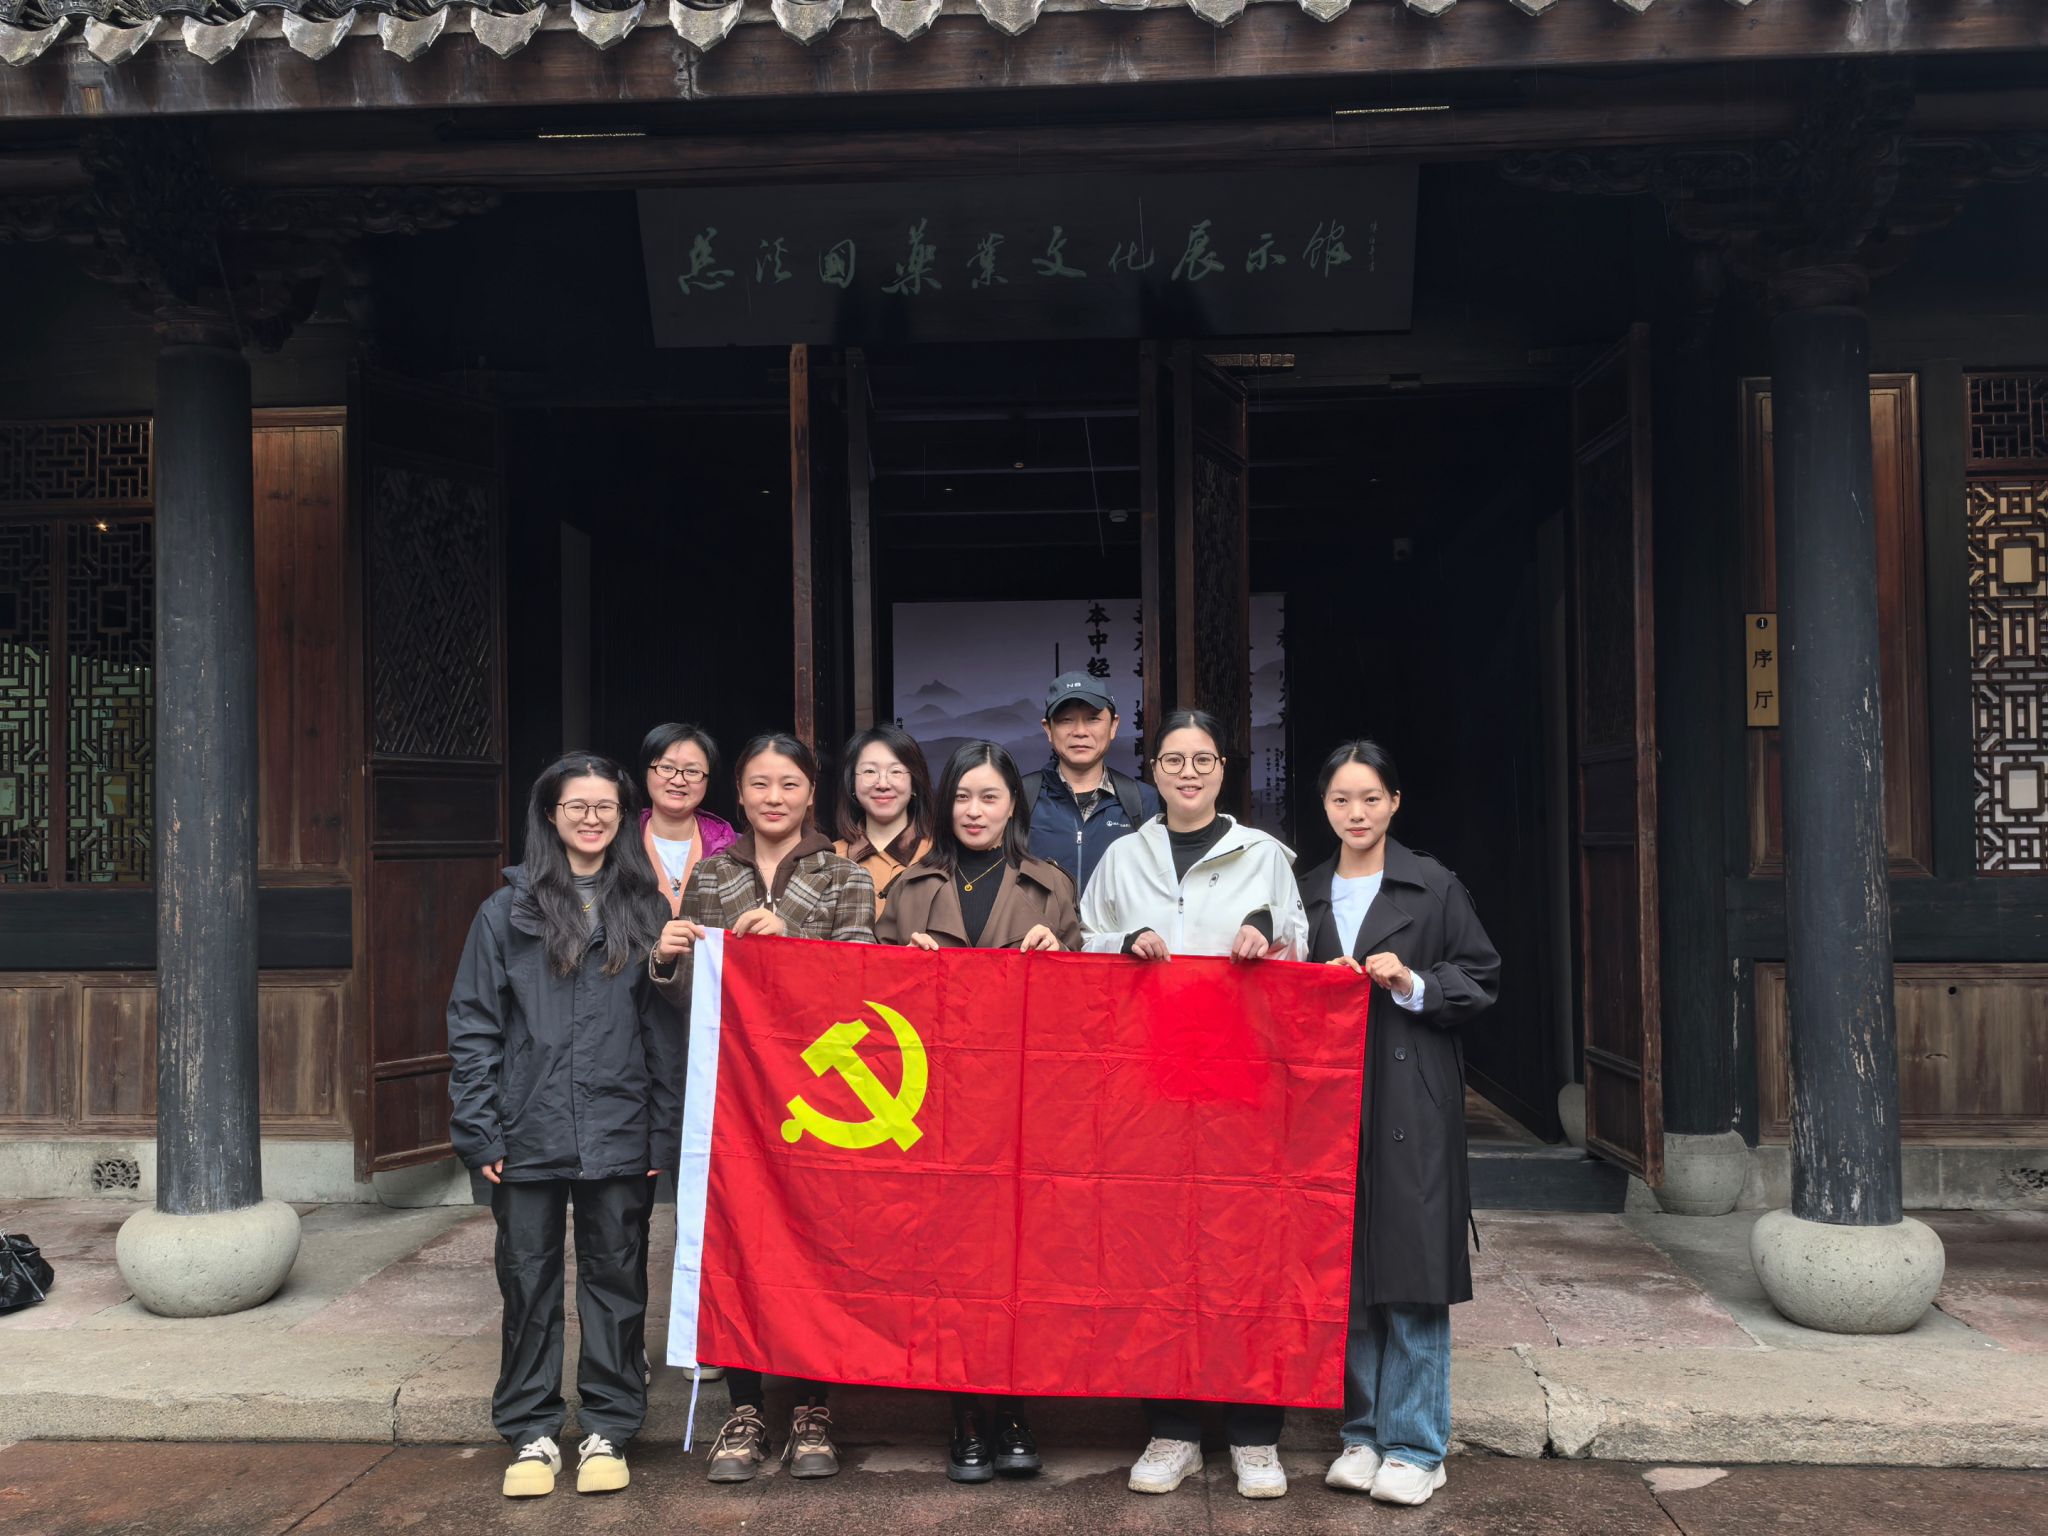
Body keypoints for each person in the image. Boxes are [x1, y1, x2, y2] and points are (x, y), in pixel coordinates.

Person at [1077, 708, 1309, 1502]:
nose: (1187, 772)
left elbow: (1302, 945)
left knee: (1247, 1252)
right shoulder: (1123, 856)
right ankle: (1171, 1428)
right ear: (1153, 770)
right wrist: (1125, 942)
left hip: (1243, 1082)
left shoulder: (1264, 855)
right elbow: (1085, 941)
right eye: (1173, 759)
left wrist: (1265, 930)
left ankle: (1255, 1435)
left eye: (1202, 759)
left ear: (1222, 770)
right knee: (1159, 1256)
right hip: (1151, 1082)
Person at [446, 752, 683, 1501]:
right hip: (528, 1124)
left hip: (619, 1123)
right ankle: (533, 1431)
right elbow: (475, 1026)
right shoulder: (506, 911)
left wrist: (662, 1131)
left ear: (623, 817)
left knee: (617, 1281)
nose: (591, 818)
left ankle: (610, 1425)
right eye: (576, 805)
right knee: (528, 1281)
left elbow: (663, 1032)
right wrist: (479, 1130)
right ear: (550, 815)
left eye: (605, 806)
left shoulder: (646, 909)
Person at [648, 732, 876, 1485]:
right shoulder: (713, 874)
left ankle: (813, 1408)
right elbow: (694, 997)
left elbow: (861, 980)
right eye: (759, 784)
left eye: (789, 784)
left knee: (815, 1244)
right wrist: (667, 960)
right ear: (739, 795)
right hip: (737, 1095)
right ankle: (744, 1410)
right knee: (737, 1241)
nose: (774, 798)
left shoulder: (844, 875)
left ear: (811, 792)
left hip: (819, 1098)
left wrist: (791, 944)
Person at [1299, 740, 1500, 1510]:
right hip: (1335, 1100)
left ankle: (1417, 1445)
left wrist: (1413, 981)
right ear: (1325, 807)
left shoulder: (1432, 884)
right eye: (1342, 800)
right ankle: (1363, 1433)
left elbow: (1481, 977)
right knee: (1348, 1273)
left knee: (1413, 1272)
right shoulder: (1307, 891)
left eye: (1371, 799)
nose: (1356, 813)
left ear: (1394, 803)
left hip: (1412, 1099)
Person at [875, 741, 1078, 1485]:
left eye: (990, 797)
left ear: (1012, 805)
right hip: (938, 1107)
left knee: (1024, 1260)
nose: (975, 811)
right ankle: (963, 1413)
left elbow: (1089, 1013)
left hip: (1026, 1108)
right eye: (963, 796)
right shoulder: (911, 888)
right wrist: (903, 969)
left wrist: (1062, 956)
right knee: (953, 1262)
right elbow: (870, 1004)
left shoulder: (1050, 887)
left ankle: (1016, 1408)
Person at [634, 722, 736, 1388]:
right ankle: (627, 1345)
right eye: (667, 767)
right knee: (630, 1198)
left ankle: (708, 1331)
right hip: (631, 1033)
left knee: (710, 1192)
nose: (678, 779)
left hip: (714, 1035)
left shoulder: (731, 846)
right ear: (646, 772)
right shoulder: (617, 841)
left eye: (692, 770)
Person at [1023, 670, 1160, 894]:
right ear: (1048, 729)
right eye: (1066, 720)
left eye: (1093, 719)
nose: (1080, 732)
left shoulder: (1144, 801)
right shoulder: (1020, 798)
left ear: (1113, 726)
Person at [833, 724, 935, 915]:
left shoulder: (940, 855)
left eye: (896, 771)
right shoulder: (830, 858)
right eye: (870, 771)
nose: (882, 784)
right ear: (852, 783)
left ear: (914, 783)